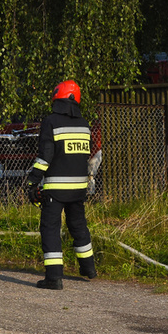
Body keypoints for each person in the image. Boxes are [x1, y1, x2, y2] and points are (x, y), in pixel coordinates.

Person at [26, 80, 96, 290]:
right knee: (78, 226)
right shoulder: (84, 124)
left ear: (58, 98)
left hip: (55, 188)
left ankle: (54, 277)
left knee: (50, 228)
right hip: (79, 188)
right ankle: (89, 268)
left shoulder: (51, 122)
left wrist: (33, 181)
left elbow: (45, 156)